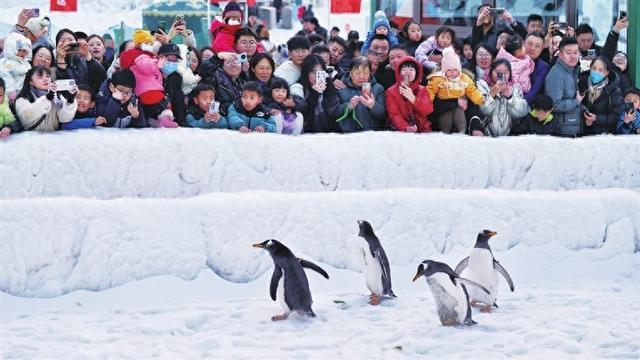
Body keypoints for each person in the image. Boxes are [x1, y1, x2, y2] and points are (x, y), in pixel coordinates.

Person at [120, 31, 178, 128]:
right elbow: (146, 65)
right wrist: (156, 63)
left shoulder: (138, 58)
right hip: (151, 91)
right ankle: (165, 121)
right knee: (165, 106)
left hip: (143, 93)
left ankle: (154, 121)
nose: (150, 46)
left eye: (151, 43)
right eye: (147, 43)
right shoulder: (140, 56)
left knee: (151, 112)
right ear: (139, 44)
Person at [427, 47, 484, 133]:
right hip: (443, 107)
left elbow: (472, 90)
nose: (452, 73)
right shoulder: (437, 79)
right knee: (445, 118)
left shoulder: (464, 79)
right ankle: (444, 132)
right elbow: (431, 90)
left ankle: (462, 131)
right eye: (449, 70)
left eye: (455, 70)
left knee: (459, 115)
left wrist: (479, 99)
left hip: (460, 108)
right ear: (443, 70)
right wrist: (428, 99)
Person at [14, 66, 78, 131]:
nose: (45, 79)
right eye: (40, 77)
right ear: (31, 82)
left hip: (52, 139)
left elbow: (64, 119)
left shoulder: (56, 96)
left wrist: (70, 100)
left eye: (47, 76)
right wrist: (47, 99)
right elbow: (26, 116)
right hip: (31, 138)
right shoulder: (23, 98)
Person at [477, 59, 529, 137]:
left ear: (510, 74)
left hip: (508, 138)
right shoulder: (482, 85)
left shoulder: (515, 88)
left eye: (505, 73)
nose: (501, 75)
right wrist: (492, 94)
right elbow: (483, 111)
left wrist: (510, 97)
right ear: (491, 72)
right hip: (485, 137)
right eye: (497, 72)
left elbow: (522, 112)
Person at [290, 55, 340, 133]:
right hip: (307, 134)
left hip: (328, 133)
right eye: (314, 72)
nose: (317, 76)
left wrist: (329, 87)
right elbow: (303, 115)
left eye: (320, 72)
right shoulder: (298, 87)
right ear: (306, 72)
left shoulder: (327, 84)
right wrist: (314, 94)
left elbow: (334, 111)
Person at [335, 56, 386, 132]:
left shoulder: (378, 88)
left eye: (365, 73)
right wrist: (348, 106)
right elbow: (334, 113)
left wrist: (373, 105)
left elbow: (382, 115)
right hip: (348, 135)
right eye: (357, 73)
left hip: (371, 134)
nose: (362, 76)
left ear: (370, 73)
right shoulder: (340, 88)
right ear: (350, 73)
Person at [545, 37, 583, 137]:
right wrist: (576, 102)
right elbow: (554, 104)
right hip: (561, 131)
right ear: (560, 55)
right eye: (568, 52)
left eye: (575, 52)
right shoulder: (557, 74)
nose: (573, 56)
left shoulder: (572, 71)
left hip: (570, 127)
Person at [385, 57, 433, 132]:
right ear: (398, 72)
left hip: (422, 130)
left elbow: (428, 110)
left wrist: (413, 99)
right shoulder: (391, 91)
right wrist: (406, 127)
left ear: (416, 73)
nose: (408, 72)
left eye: (411, 70)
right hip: (401, 131)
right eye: (404, 70)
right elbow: (394, 115)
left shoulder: (422, 89)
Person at [577, 56, 622, 135]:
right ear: (590, 68)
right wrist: (584, 119)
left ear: (607, 73)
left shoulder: (614, 91)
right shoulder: (581, 84)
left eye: (600, 70)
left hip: (604, 135)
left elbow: (615, 116)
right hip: (582, 132)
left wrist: (596, 118)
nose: (596, 72)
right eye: (594, 68)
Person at [55, 29, 107, 96]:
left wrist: (87, 54)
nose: (67, 43)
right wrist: (61, 59)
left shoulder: (83, 61)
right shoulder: (52, 62)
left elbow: (102, 76)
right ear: (57, 45)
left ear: (76, 43)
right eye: (63, 41)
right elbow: (62, 86)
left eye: (71, 40)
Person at [0, 32, 32, 102]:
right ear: (11, 49)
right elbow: (6, 76)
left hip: (21, 94)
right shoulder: (6, 62)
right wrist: (10, 91)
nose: (22, 53)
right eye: (19, 50)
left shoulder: (26, 63)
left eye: (24, 51)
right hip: (7, 93)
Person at [523, 32, 550, 102]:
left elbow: (533, 93)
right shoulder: (512, 58)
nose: (532, 48)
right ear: (523, 43)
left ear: (541, 49)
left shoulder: (543, 67)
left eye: (537, 46)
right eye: (529, 44)